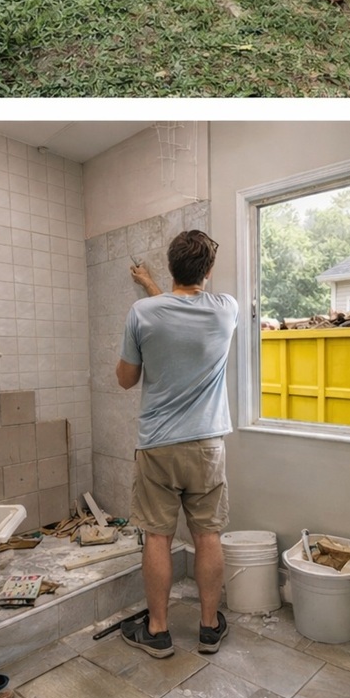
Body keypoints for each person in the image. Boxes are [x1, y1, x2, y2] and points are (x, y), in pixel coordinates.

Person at [115, 230, 238, 658]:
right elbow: (186, 307)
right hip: (206, 445)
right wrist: (155, 288)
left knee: (158, 538)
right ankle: (208, 628)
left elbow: (126, 379)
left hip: (158, 447)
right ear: (208, 270)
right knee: (208, 536)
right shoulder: (226, 310)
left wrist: (149, 292)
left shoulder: (142, 313)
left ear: (170, 267)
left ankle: (159, 631)